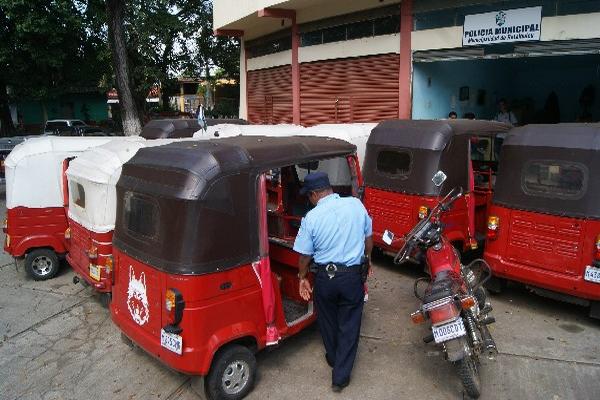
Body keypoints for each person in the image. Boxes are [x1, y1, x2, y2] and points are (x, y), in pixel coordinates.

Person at [293, 171, 372, 393]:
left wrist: (302, 278)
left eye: (309, 196)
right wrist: (368, 258)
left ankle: (334, 357)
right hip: (351, 276)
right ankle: (340, 376)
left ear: (315, 194)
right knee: (350, 324)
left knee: (327, 319)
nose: (309, 200)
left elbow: (304, 256)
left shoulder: (311, 218)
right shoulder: (356, 205)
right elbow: (368, 237)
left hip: (325, 278)